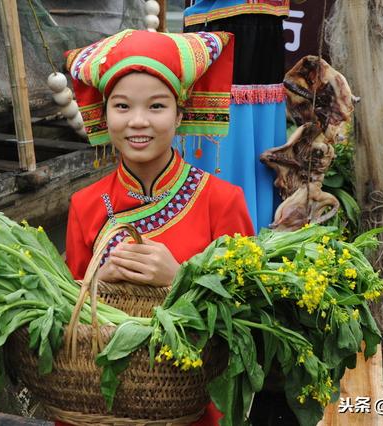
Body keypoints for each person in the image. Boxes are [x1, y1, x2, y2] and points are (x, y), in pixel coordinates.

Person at [64, 29, 255, 424]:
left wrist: (180, 278)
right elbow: (65, 312)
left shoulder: (222, 200)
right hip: (100, 402)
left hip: (190, 404)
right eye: (121, 107)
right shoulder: (85, 204)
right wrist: (98, 283)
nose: (137, 122)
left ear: (180, 115)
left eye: (155, 107)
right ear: (105, 116)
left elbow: (250, 315)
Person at [177, 0, 290, 232]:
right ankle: (215, 234)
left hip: (267, 27)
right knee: (223, 142)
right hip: (218, 26)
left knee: (262, 145)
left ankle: (257, 236)